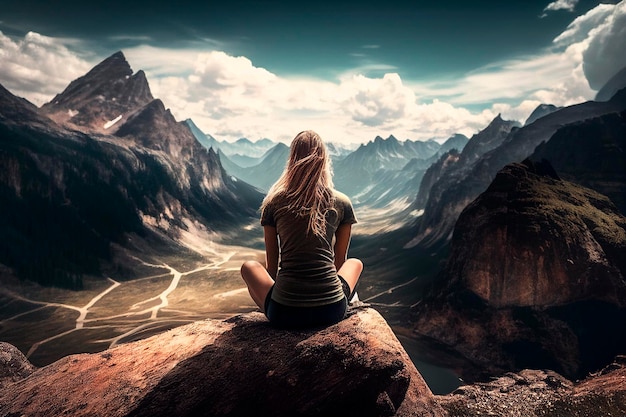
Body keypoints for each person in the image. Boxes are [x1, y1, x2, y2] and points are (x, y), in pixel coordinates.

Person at [240, 130, 363, 329]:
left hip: (283, 313)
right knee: (355, 263)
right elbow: (339, 261)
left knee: (249, 266)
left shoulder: (273, 203)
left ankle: (269, 311)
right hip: (333, 311)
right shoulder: (342, 202)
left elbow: (272, 268)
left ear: (292, 159)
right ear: (324, 161)